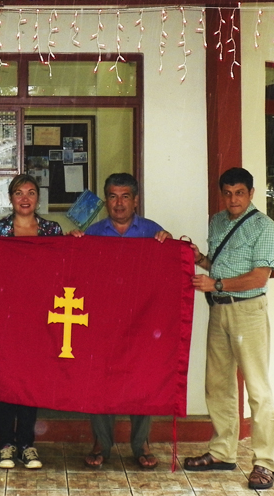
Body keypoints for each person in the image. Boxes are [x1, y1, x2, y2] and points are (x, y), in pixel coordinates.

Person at [184, 167, 274, 491]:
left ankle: (265, 463)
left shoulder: (265, 227)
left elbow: (259, 277)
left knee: (257, 389)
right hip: (219, 310)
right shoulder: (217, 221)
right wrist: (200, 259)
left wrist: (216, 284)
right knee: (218, 385)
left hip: (248, 311)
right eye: (227, 193)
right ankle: (222, 451)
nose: (233, 199)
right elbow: (219, 266)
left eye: (239, 193)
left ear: (251, 193)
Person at [75, 172, 171, 471]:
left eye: (125, 196)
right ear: (106, 200)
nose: (119, 203)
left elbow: (168, 271)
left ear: (136, 200)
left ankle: (141, 444)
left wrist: (169, 246)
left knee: (141, 378)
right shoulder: (93, 233)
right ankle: (101, 443)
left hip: (141, 321)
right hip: (103, 322)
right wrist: (74, 246)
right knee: (100, 380)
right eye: (113, 196)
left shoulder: (153, 232)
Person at [0, 174, 65, 470]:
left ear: (38, 198)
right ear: (10, 198)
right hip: (6, 318)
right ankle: (6, 444)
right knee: (5, 379)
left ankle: (27, 444)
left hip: (38, 317)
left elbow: (65, 265)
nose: (25, 198)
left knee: (31, 380)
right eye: (19, 193)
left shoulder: (52, 230)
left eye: (31, 192)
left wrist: (76, 242)